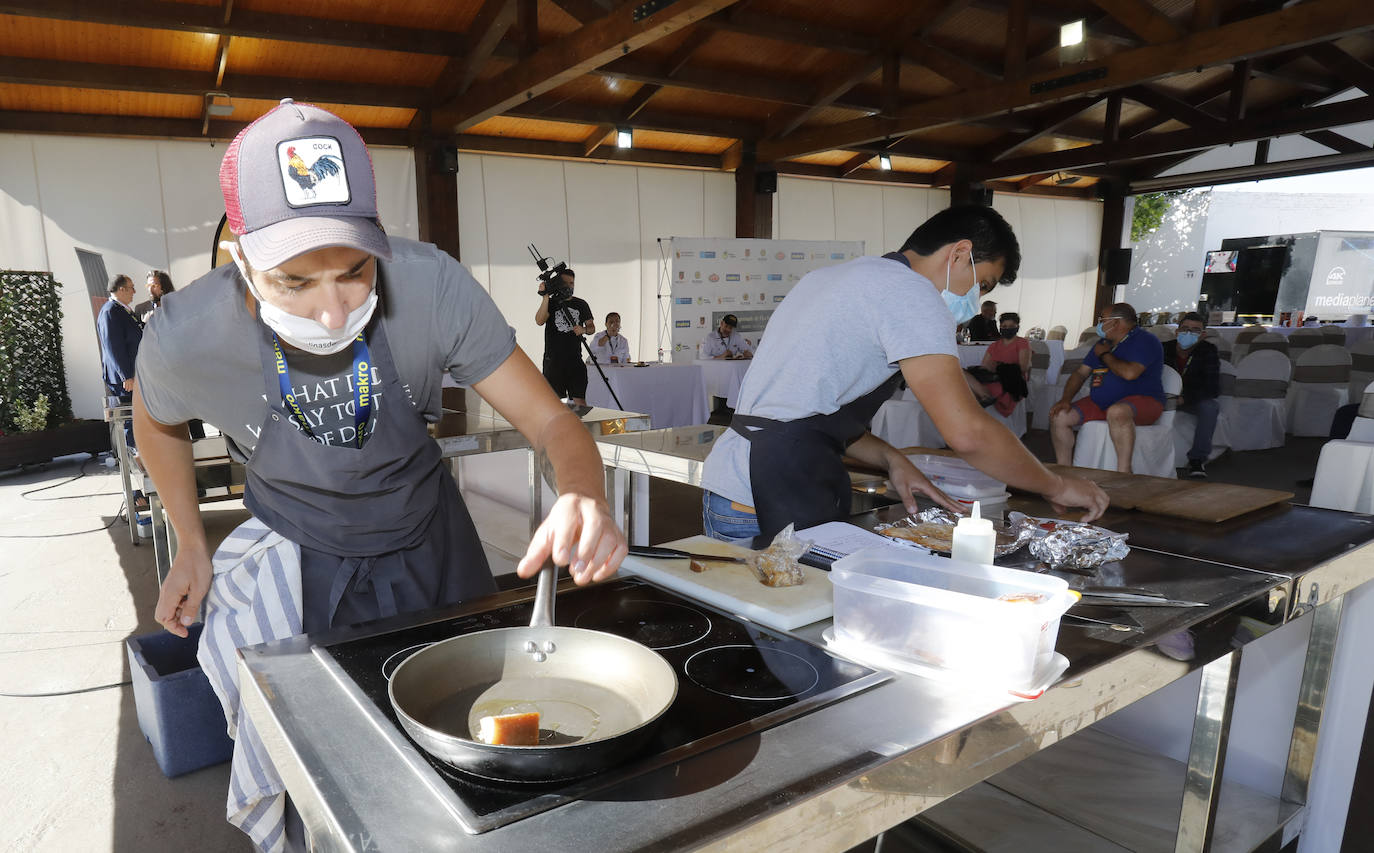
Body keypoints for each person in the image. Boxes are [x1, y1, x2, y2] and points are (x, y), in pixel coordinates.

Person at [133, 99, 625, 850]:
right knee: (334, 778)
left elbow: (555, 421)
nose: (331, 312)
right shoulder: (186, 333)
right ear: (240, 258)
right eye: (294, 282)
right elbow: (154, 418)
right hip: (306, 561)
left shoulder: (428, 287)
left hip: (434, 545)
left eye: (355, 271)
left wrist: (583, 491)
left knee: (475, 738)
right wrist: (191, 539)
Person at [699, 205, 1108, 547]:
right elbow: (968, 433)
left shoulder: (833, 278)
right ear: (959, 253)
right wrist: (1055, 485)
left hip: (734, 490)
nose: (976, 298)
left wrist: (893, 458)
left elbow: (802, 411)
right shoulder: (911, 292)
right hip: (769, 494)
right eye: (981, 283)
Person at [1049, 303, 1165, 474]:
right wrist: (1065, 400)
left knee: (1117, 412)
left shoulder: (1145, 340)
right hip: (1103, 403)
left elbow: (1130, 373)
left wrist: (1104, 355)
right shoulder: (1103, 343)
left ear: (1116, 323)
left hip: (1144, 402)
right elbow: (1081, 374)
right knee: (1060, 416)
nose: (1100, 324)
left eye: (1103, 319)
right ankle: (1064, 471)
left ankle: (1124, 472)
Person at [1163, 313, 1220, 479]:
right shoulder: (1163, 348)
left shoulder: (1208, 351)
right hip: (1164, 396)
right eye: (1185, 329)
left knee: (1210, 407)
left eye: (1195, 330)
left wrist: (1184, 398)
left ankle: (1197, 459)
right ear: (1177, 331)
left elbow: (1212, 387)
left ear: (1203, 335)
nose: (1188, 333)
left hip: (1191, 399)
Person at [535, 267, 595, 404]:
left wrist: (584, 330)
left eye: (572, 283)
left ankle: (582, 425)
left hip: (575, 360)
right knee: (554, 402)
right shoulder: (551, 303)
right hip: (553, 361)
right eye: (566, 283)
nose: (569, 286)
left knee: (580, 401)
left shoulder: (581, 303)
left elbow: (592, 327)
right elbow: (539, 321)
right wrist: (546, 297)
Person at [98, 274, 144, 450]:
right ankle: (134, 454)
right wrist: (126, 375)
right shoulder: (111, 311)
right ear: (122, 289)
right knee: (130, 418)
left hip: (132, 373)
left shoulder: (122, 310)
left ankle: (139, 451)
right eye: (131, 287)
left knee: (137, 415)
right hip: (124, 378)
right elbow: (113, 347)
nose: (134, 291)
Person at [963, 311, 1030, 416]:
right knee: (961, 373)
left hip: (1011, 380)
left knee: (970, 392)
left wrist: (999, 367)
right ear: (1000, 327)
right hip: (993, 376)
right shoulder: (994, 346)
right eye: (1004, 326)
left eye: (1011, 326)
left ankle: (982, 402)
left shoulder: (1022, 343)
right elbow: (984, 367)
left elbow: (1023, 368)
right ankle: (984, 398)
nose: (1007, 329)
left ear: (1017, 327)